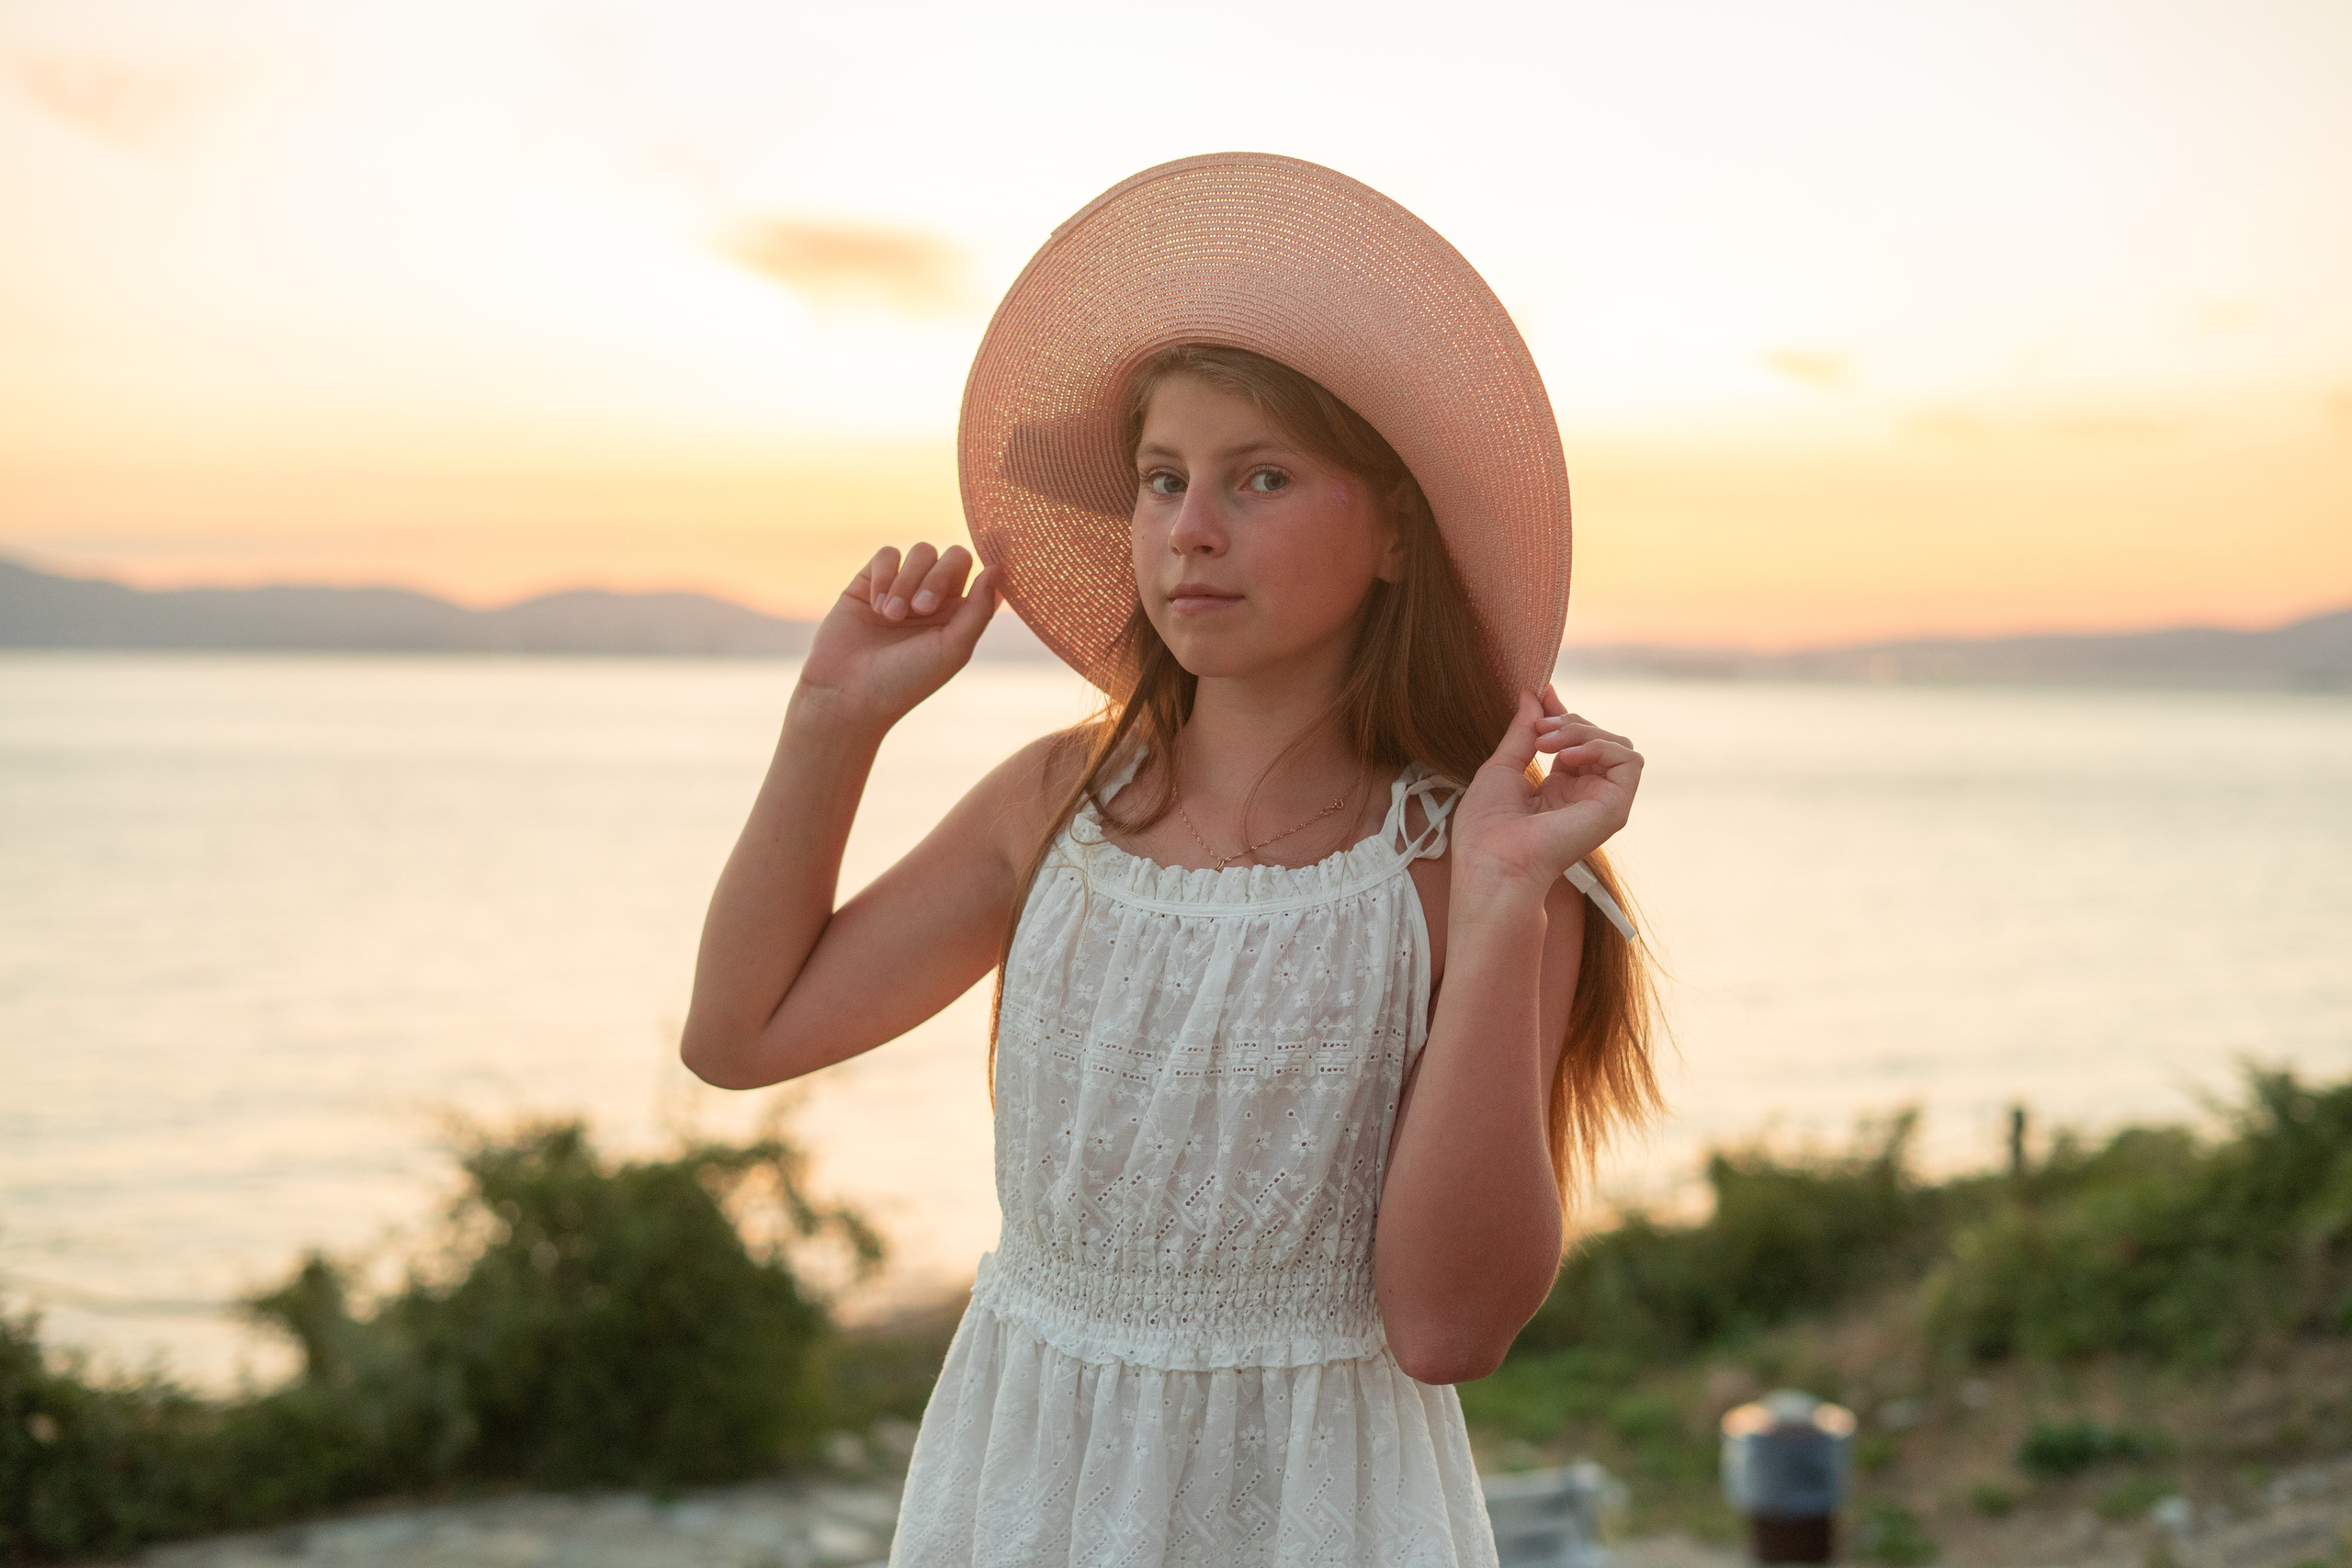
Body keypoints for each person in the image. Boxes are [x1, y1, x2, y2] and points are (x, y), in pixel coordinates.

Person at [683, 153, 1660, 1568]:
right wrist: (833, 725)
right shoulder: (1057, 805)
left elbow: (1449, 1329)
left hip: (1318, 1516)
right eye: (1161, 480)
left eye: (1259, 478)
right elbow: (740, 1035)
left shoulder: (1471, 860)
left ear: (1394, 529)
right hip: (1025, 1488)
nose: (1189, 529)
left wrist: (1508, 901)